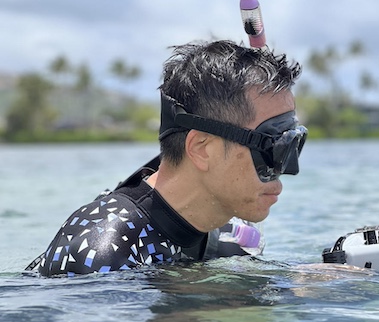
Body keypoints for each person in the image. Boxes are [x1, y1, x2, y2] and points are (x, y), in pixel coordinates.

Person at [27, 40, 307, 277]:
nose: (289, 168)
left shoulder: (226, 227)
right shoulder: (103, 254)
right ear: (201, 149)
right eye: (275, 147)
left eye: (294, 142)